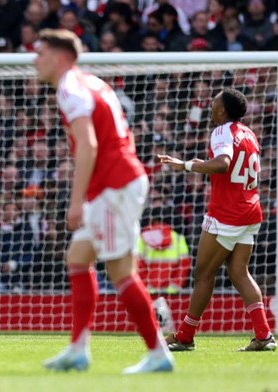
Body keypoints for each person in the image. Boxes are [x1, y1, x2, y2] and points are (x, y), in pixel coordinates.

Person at [34, 29, 174, 374]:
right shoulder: (92, 82)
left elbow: (89, 145)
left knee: (120, 271)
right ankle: (78, 349)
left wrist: (76, 201)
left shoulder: (69, 87)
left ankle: (158, 352)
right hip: (114, 183)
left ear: (60, 56)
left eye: (40, 53)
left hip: (113, 185)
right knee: (78, 258)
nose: (34, 61)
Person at [157, 87, 277, 352]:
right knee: (238, 272)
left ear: (222, 109)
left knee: (203, 274)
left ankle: (185, 336)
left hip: (227, 213)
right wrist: (203, 163)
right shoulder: (249, 134)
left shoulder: (222, 131)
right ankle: (264, 334)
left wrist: (187, 165)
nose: (210, 107)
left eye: (213, 103)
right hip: (250, 210)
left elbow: (223, 163)